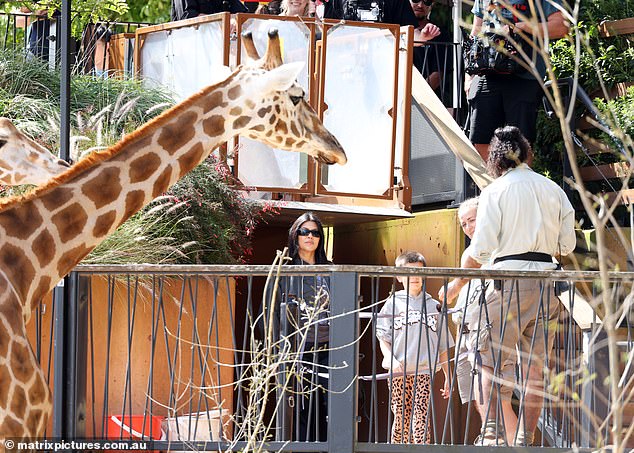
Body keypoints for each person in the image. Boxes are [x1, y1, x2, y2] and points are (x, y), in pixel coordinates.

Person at [463, 126, 576, 446]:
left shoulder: (495, 192)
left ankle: (492, 433)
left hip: (507, 284)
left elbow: (482, 249)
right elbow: (566, 245)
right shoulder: (553, 189)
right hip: (545, 287)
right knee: (535, 369)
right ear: (526, 152)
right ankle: (525, 437)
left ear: (495, 160)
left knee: (490, 361)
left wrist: (459, 278)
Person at [465, 0, 569, 161]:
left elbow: (560, 27)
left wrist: (521, 27)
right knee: (480, 140)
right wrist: (469, 75)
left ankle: (520, 184)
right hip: (486, 74)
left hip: (524, 75)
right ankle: (492, 185)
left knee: (522, 143)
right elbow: (476, 30)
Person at [376, 251, 453, 444]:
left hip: (424, 371)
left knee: (420, 418)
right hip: (399, 372)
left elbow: (443, 344)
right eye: (409, 272)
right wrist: (389, 358)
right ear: (399, 276)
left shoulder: (434, 305)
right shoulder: (392, 304)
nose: (415, 277)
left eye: (419, 272)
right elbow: (383, 336)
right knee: (401, 418)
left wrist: (448, 375)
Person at [281, 212, 331, 441]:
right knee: (303, 404)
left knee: (329, 404)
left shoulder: (330, 267)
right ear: (296, 235)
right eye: (304, 231)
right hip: (299, 347)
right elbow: (273, 309)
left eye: (315, 232)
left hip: (329, 346)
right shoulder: (286, 268)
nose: (310, 236)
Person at [410, 0, 453, 102]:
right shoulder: (395, 30)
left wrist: (416, 95)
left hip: (428, 100)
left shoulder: (439, 33)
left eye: (427, 1)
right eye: (416, 0)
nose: (420, 5)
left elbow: (439, 72)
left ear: (432, 5)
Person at [171, 0, 248, 21]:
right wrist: (222, 23)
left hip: (219, 47)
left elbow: (243, 15)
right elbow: (189, 17)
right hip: (190, 48)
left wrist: (235, 20)